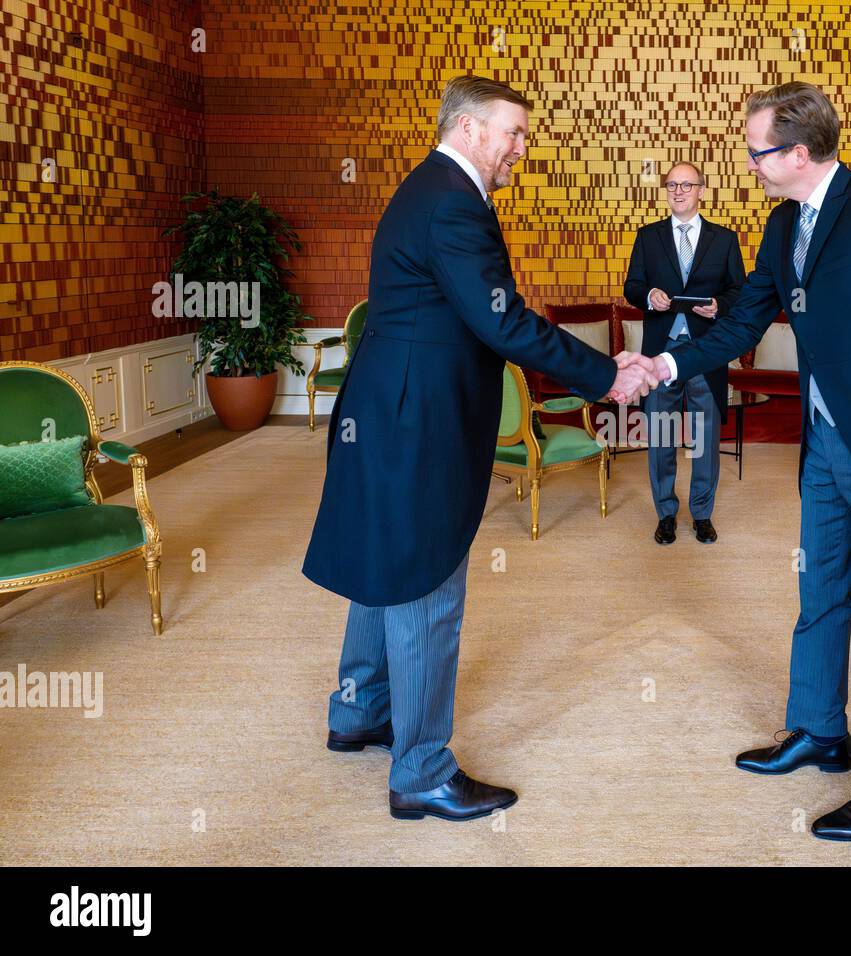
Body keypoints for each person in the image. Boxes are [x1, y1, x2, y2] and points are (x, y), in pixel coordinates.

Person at [302, 75, 657, 823]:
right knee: (427, 581)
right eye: (514, 133)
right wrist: (604, 372)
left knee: (382, 564)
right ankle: (422, 770)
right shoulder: (454, 203)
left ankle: (360, 710)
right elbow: (501, 321)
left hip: (387, 408)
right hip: (416, 421)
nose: (522, 148)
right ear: (468, 129)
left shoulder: (428, 188)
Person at [620, 81, 851, 842]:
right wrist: (663, 369)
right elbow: (741, 322)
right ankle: (818, 731)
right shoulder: (779, 225)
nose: (751, 163)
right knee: (820, 591)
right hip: (823, 446)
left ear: (798, 152)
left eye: (757, 150)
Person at [623, 161, 745, 544]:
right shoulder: (648, 237)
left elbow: (739, 291)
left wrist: (719, 306)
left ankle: (702, 513)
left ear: (701, 190)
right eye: (672, 185)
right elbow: (632, 286)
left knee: (705, 436)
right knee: (660, 435)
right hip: (661, 352)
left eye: (686, 185)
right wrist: (648, 295)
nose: (678, 191)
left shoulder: (724, 239)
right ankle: (665, 512)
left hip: (706, 351)